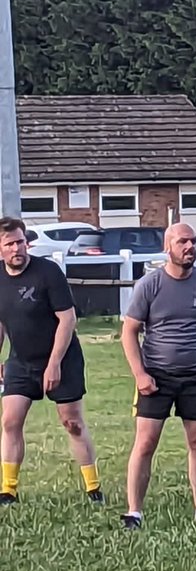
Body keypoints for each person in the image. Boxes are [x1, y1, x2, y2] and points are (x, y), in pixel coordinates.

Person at [120, 223, 196, 529]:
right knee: (146, 442)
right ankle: (134, 512)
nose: (190, 247)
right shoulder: (150, 285)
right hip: (156, 375)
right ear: (167, 247)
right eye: (182, 241)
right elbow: (128, 332)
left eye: (193, 241)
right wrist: (140, 374)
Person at [0, 217, 104, 506]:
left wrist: (54, 363)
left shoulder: (48, 272)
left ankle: (93, 488)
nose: (17, 248)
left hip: (62, 357)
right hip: (21, 361)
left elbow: (67, 319)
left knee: (72, 422)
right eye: (10, 244)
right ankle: (7, 490)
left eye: (21, 242)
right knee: (10, 420)